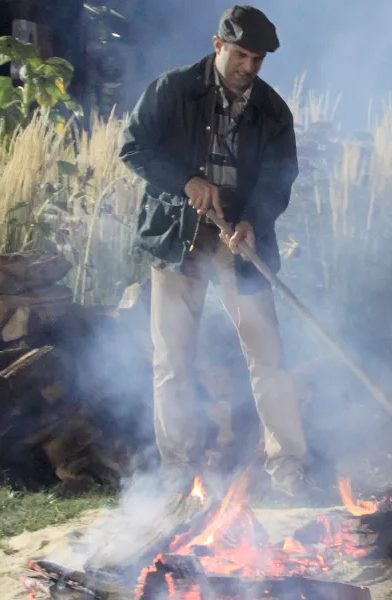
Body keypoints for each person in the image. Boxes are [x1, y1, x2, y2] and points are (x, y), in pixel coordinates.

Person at [118, 5, 311, 499]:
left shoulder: (272, 111)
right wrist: (186, 181)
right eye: (241, 55)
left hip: (241, 245)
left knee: (268, 357)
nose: (248, 67)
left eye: (258, 59)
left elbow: (279, 179)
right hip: (177, 239)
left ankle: (287, 470)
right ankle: (178, 472)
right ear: (218, 45)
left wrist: (252, 220)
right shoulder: (174, 89)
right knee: (173, 360)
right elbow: (134, 147)